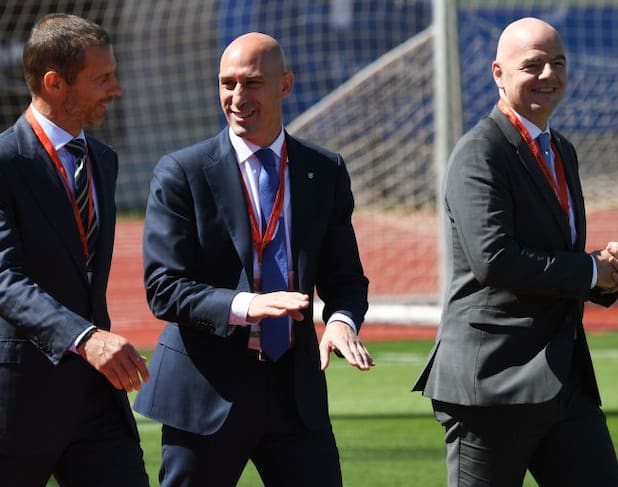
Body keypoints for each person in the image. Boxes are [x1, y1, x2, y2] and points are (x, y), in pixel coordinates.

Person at [133, 32, 374, 486]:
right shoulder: (183, 172)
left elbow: (345, 277)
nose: (237, 96)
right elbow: (163, 288)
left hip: (294, 392)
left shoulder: (324, 170)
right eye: (228, 84)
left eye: (252, 83)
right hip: (207, 391)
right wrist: (247, 306)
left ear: (285, 85)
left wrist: (342, 321)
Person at [413, 17, 618, 487]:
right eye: (532, 65)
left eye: (558, 63)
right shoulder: (480, 151)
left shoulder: (562, 150)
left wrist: (607, 271)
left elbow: (554, 254)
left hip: (563, 380)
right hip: (493, 385)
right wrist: (588, 271)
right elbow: (494, 260)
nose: (548, 75)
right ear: (498, 73)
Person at [0, 13, 150, 487]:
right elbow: (5, 280)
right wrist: (85, 338)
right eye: (102, 78)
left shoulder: (103, 160)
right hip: (19, 398)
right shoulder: (4, 162)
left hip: (96, 397)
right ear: (54, 83)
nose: (116, 89)